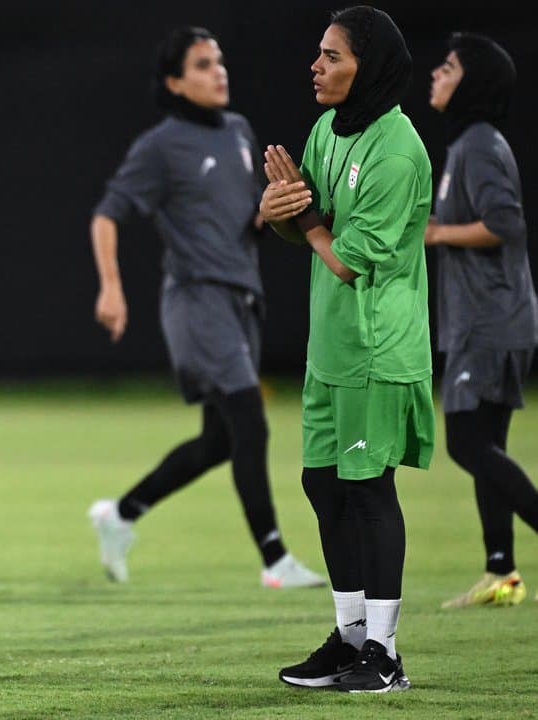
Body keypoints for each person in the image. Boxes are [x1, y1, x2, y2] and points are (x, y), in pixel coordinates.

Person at [86, 26, 325, 590]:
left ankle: (121, 515)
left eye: (218, 60)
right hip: (197, 299)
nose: (217, 71)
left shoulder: (240, 131)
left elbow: (250, 221)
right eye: (201, 64)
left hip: (243, 296)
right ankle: (275, 560)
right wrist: (112, 288)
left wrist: (277, 208)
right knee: (250, 420)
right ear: (175, 82)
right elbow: (106, 215)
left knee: (220, 440)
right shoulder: (160, 145)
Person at [260, 5, 432, 693]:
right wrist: (277, 210)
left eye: (332, 56)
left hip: (377, 347)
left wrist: (298, 216)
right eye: (318, 54)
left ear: (371, 66)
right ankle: (350, 637)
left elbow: (344, 259)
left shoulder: (397, 150)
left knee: (367, 490)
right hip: (329, 347)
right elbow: (304, 224)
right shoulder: (327, 129)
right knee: (322, 485)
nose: (316, 66)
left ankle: (384, 655)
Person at [426, 33, 538, 608]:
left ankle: (505, 567)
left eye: (447, 67)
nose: (436, 74)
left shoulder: (477, 145)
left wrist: (436, 232)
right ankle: (502, 573)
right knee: (486, 444)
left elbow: (506, 222)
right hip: (492, 318)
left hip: (490, 321)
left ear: (472, 83)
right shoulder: (468, 143)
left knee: (467, 444)